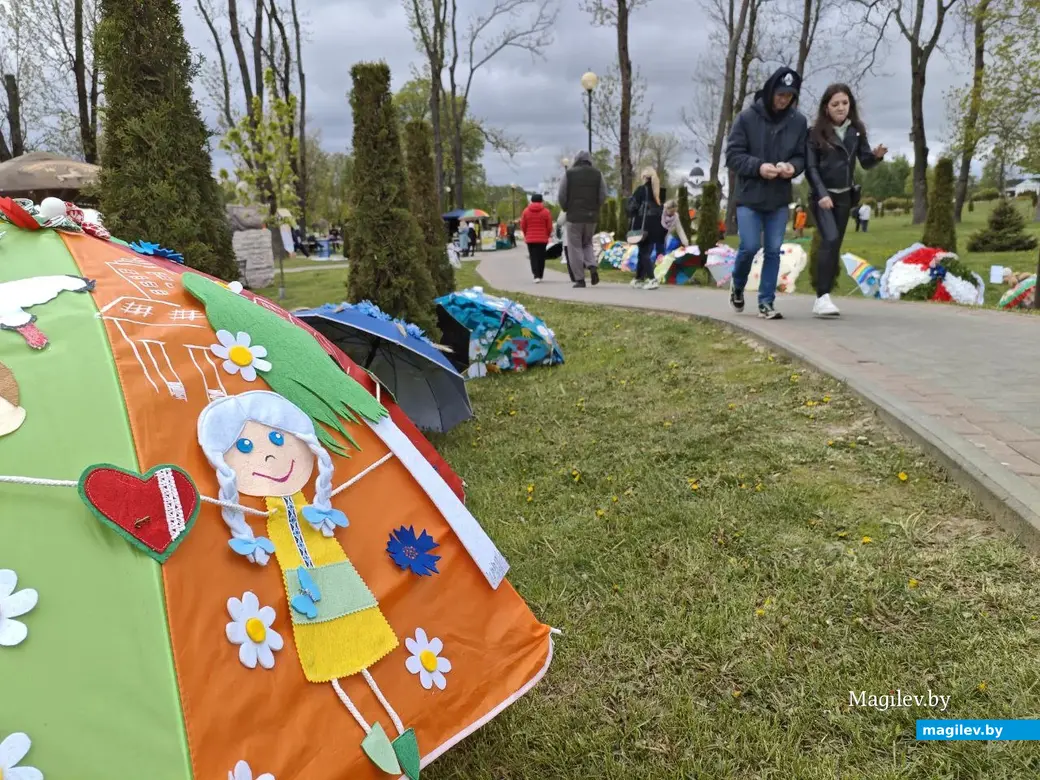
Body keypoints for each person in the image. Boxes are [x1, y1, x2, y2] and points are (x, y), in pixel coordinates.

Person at [726, 66, 809, 320]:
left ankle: (766, 302)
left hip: (778, 198)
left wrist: (791, 167)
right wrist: (758, 167)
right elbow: (733, 155)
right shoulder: (747, 118)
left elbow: (801, 156)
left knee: (773, 250)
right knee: (750, 246)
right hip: (750, 196)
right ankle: (737, 285)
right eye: (780, 94)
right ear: (771, 90)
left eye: (789, 96)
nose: (784, 100)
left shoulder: (798, 122)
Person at [806, 83, 887, 318]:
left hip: (844, 197)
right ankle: (822, 297)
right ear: (826, 108)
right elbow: (811, 168)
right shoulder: (815, 133)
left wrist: (876, 157)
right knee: (829, 238)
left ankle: (824, 296)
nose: (841, 108)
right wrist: (821, 194)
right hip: (822, 197)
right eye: (835, 104)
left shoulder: (856, 131)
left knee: (835, 245)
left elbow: (865, 162)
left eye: (845, 103)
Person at [557, 150, 608, 288]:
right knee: (588, 243)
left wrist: (566, 208)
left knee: (575, 247)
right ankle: (592, 265)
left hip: (574, 216)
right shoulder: (598, 174)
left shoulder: (569, 174)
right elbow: (603, 194)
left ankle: (580, 279)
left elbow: (562, 195)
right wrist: (595, 207)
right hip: (591, 216)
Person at [627, 168, 665, 290]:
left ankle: (652, 279)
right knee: (644, 252)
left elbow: (632, 207)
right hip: (656, 226)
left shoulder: (641, 190)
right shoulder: (659, 192)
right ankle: (639, 278)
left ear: (644, 177)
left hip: (643, 226)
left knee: (644, 253)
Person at [520, 193, 553, 283]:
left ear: (532, 201)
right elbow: (549, 226)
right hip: (542, 238)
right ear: (541, 201)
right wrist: (547, 234)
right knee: (541, 257)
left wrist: (526, 234)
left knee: (533, 257)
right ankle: (540, 274)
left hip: (530, 238)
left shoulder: (526, 211)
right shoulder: (546, 212)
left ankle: (536, 275)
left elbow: (523, 225)